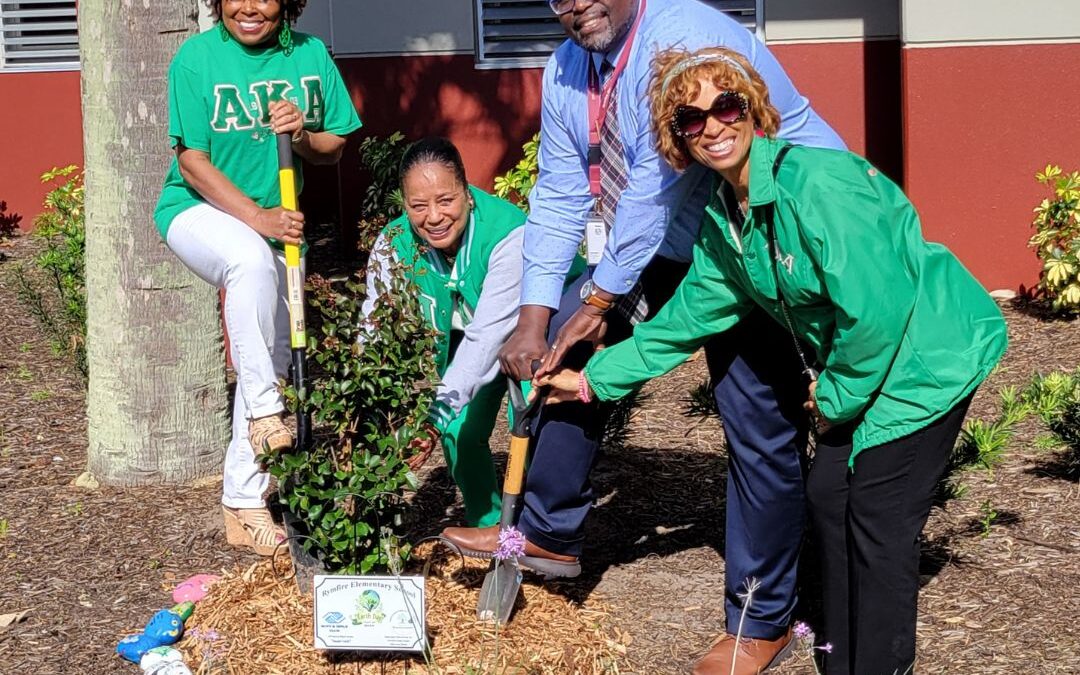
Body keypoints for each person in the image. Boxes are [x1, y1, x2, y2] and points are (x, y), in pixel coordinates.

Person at [537, 46, 1008, 675]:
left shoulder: (819, 185)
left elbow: (878, 309)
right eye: (690, 119)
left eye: (725, 106)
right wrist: (593, 379)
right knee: (827, 493)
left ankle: (879, 664)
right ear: (677, 139)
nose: (713, 125)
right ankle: (839, 658)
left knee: (877, 515)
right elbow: (685, 322)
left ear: (753, 110)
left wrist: (835, 396)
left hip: (930, 354)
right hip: (867, 363)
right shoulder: (725, 218)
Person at [442, 0, 845, 671]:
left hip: (773, 228)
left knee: (757, 421)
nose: (578, 4)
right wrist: (537, 315)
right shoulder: (570, 66)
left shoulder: (679, 37)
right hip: (679, 236)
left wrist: (601, 297)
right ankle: (545, 530)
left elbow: (654, 189)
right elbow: (561, 188)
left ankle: (761, 617)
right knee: (563, 347)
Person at [153, 0, 361, 556]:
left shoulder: (310, 55)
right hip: (199, 212)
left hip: (277, 224)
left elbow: (332, 148)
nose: (249, 7)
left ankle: (243, 503)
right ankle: (267, 413)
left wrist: (304, 130)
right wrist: (257, 217)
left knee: (265, 354)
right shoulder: (197, 58)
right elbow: (193, 161)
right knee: (247, 260)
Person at [360, 138, 584, 527]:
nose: (433, 217)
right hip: (475, 337)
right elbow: (373, 326)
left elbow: (487, 335)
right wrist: (364, 407)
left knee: (534, 425)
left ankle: (539, 530)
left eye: (445, 200)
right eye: (418, 206)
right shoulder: (392, 245)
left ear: (468, 193)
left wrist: (432, 416)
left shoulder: (508, 235)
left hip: (545, 329)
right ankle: (490, 526)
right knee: (459, 432)